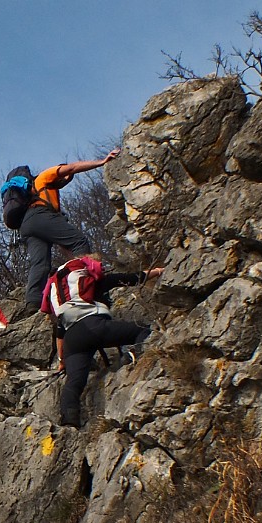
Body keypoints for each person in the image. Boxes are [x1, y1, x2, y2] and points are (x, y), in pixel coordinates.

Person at [42, 254, 164, 428]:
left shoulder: (65, 301)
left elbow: (59, 332)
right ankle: (132, 357)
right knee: (144, 332)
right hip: (94, 326)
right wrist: (158, 271)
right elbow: (132, 278)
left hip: (73, 339)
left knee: (74, 383)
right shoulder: (95, 283)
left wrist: (62, 361)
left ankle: (69, 422)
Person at [17, 149, 121, 310]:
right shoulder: (44, 177)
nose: (66, 178)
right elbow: (72, 168)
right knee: (80, 241)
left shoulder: (31, 194)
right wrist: (102, 161)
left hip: (27, 226)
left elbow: (64, 243)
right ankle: (89, 286)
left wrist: (72, 256)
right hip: (41, 216)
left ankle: (33, 302)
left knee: (40, 263)